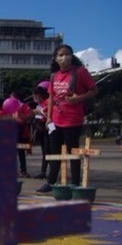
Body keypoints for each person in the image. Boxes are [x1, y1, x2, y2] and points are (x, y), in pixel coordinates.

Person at [37, 44, 98, 193]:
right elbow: (51, 98)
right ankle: (51, 182)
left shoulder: (80, 72)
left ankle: (75, 182)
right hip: (55, 119)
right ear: (55, 58)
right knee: (54, 152)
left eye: (68, 54)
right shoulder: (54, 75)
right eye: (61, 55)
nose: (65, 57)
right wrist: (49, 118)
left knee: (73, 151)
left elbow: (94, 90)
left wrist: (79, 99)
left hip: (72, 118)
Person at [31, 84, 50, 179]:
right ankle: (43, 171)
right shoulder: (39, 105)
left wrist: (41, 112)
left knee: (48, 150)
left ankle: (49, 171)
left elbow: (50, 115)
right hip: (40, 129)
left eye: (35, 95)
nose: (34, 98)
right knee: (44, 151)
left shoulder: (48, 102)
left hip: (49, 128)